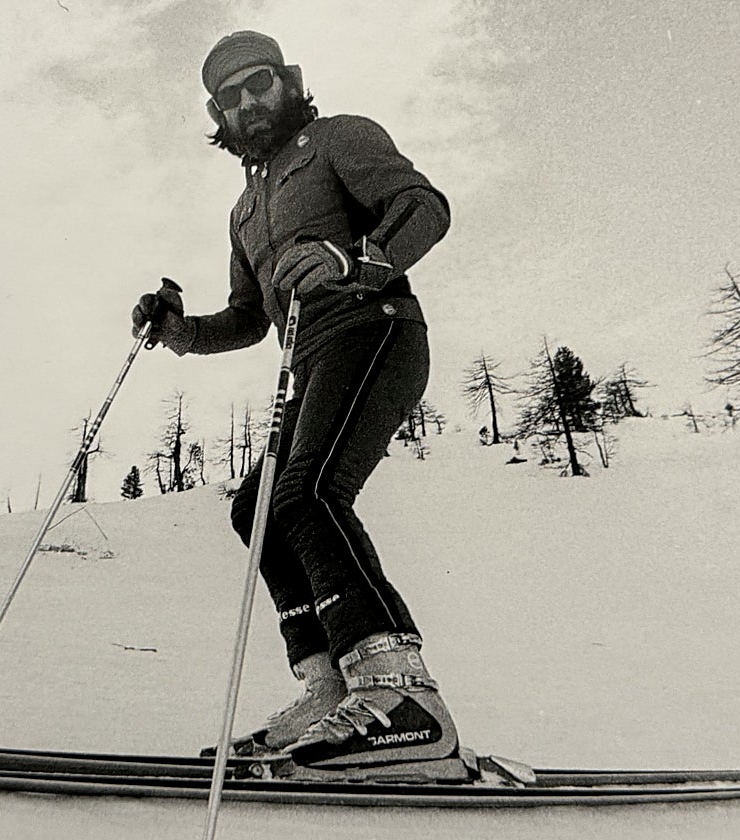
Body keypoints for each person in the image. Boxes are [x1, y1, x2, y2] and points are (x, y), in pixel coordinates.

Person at [131, 31, 459, 773]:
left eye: (260, 84)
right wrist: (180, 331)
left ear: (288, 83)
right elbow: (248, 318)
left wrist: (357, 259)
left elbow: (422, 205)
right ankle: (330, 686)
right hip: (307, 355)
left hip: (373, 326)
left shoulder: (338, 138)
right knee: (259, 505)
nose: (248, 102)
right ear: (218, 113)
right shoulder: (245, 211)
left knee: (308, 491)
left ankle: (400, 692)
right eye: (230, 96)